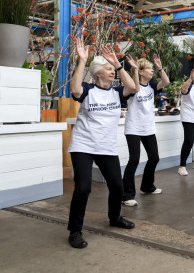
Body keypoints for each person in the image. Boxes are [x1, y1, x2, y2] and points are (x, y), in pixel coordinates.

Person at [67, 38, 139, 249]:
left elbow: (133, 87)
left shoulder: (117, 93)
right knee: (83, 188)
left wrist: (118, 64)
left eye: (112, 69)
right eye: (107, 68)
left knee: (117, 186)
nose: (112, 72)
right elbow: (74, 88)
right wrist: (82, 60)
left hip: (106, 147)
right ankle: (75, 230)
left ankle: (115, 217)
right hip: (83, 145)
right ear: (97, 72)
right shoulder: (88, 90)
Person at [122, 54, 170, 207]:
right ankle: (126, 195)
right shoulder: (131, 87)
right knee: (134, 160)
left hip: (148, 127)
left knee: (154, 158)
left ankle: (147, 186)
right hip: (133, 128)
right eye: (149, 69)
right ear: (141, 72)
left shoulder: (152, 87)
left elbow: (166, 81)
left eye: (151, 69)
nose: (151, 71)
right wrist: (134, 70)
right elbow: (135, 89)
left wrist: (159, 67)